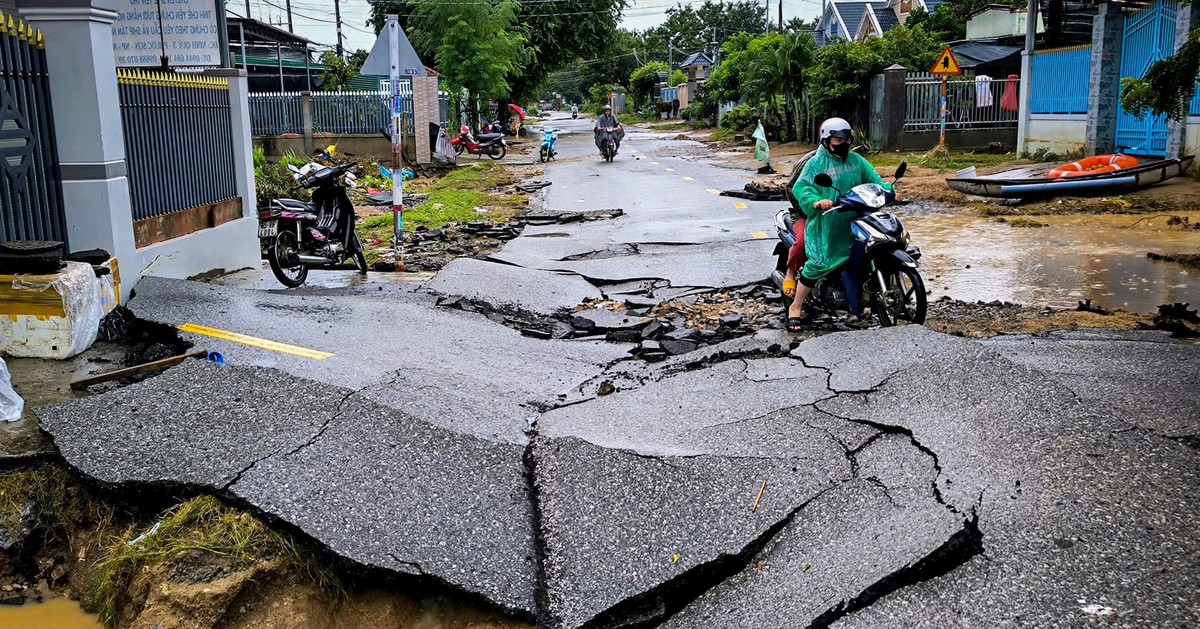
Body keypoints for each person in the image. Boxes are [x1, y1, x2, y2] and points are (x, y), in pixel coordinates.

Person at [783, 117, 886, 332]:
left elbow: (874, 180)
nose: (844, 144)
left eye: (846, 140)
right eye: (839, 140)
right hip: (825, 222)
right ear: (826, 140)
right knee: (819, 262)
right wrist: (816, 201)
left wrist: (889, 190)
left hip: (853, 219)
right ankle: (796, 307)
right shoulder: (815, 163)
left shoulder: (856, 160)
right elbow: (802, 188)